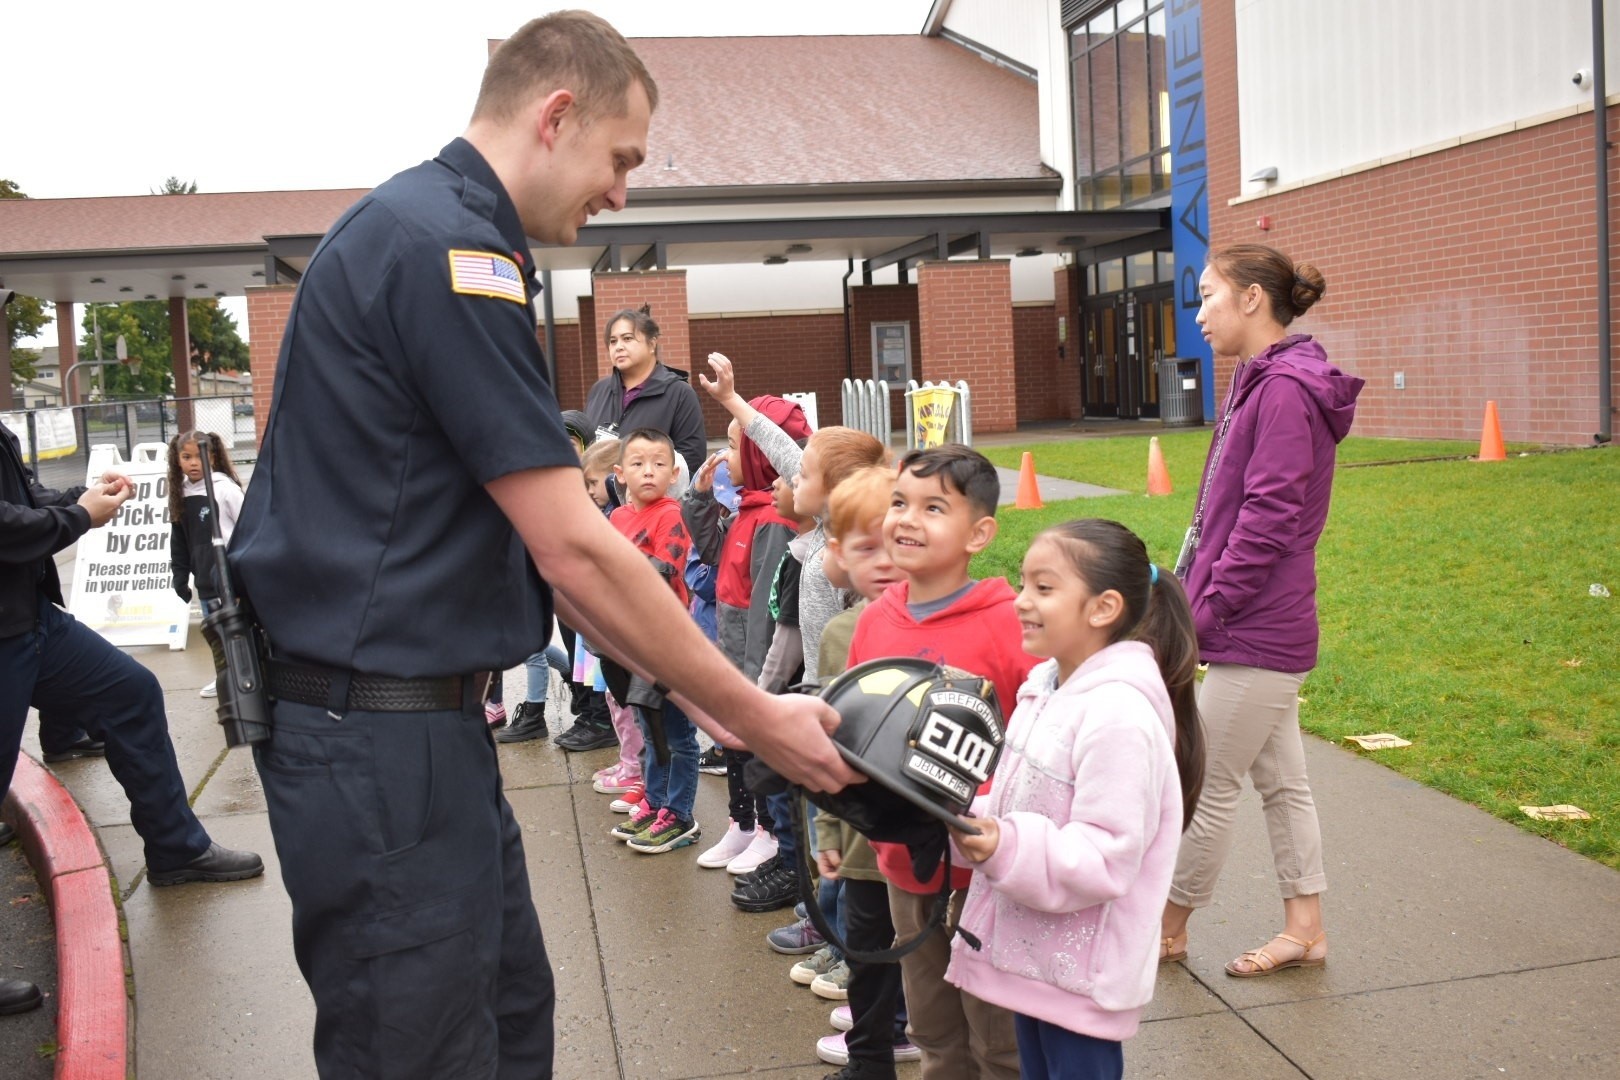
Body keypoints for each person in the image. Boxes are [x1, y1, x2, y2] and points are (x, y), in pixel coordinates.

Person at [227, 13, 854, 1077]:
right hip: (378, 738)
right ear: (555, 115)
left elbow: (518, 543)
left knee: (509, 1020)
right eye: (622, 158)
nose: (621, 192)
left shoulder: (430, 232)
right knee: (426, 1049)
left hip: (406, 730)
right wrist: (754, 719)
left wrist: (704, 701)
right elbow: (573, 545)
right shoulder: (451, 252)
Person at [1, 426, 264, 1018]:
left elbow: (20, 498)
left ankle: (176, 850)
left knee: (131, 691)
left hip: (30, 619)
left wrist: (79, 497)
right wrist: (78, 520)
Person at [1158, 243, 1362, 979]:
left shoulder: (1281, 390)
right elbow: (1221, 512)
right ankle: (1305, 929)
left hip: (1257, 627)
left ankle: (1167, 929)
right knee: (1282, 784)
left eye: (1209, 295)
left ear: (1251, 300)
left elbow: (1267, 520)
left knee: (1206, 782)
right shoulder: (1263, 381)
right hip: (1255, 622)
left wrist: (1204, 616)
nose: (1200, 312)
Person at [946, 520, 1205, 1080]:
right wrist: (972, 819)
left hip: (1081, 978)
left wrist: (1004, 846)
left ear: (1103, 607)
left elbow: (1107, 857)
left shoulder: (1118, 716)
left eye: (1044, 588)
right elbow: (1023, 802)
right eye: (1023, 584)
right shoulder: (1047, 688)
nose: (1021, 602)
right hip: (1033, 960)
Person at [844, 444, 1038, 1080]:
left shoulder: (1011, 625)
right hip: (905, 864)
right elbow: (856, 742)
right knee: (931, 1025)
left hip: (987, 870)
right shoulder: (873, 621)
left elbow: (1040, 741)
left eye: (934, 508)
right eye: (899, 503)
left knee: (998, 1034)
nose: (907, 519)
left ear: (979, 533)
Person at [811, 464, 918, 1080]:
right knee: (868, 948)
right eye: (865, 547)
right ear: (839, 554)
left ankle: (912, 1031)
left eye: (893, 544)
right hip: (859, 829)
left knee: (928, 946)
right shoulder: (841, 632)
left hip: (927, 828)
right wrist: (828, 832)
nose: (882, 561)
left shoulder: (941, 622)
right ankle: (870, 1057)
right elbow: (831, 743)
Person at [684, 398, 812, 905]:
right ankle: (744, 823)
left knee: (759, 755)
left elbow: (768, 611)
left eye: (735, 445)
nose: (725, 455)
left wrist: (755, 679)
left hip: (757, 667)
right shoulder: (748, 509)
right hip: (736, 656)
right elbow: (713, 556)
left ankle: (771, 836)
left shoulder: (774, 523)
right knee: (736, 748)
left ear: (762, 454)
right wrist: (699, 502)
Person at [600, 429, 702, 854]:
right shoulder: (618, 517)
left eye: (659, 464)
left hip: (667, 640)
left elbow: (666, 570)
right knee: (649, 727)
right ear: (620, 474)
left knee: (678, 735)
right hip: (630, 641)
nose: (648, 471)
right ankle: (657, 802)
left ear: (674, 472)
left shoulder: (671, 514)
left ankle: (680, 816)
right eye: (638, 463)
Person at [584, 305, 707, 480]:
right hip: (598, 503)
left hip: (655, 502)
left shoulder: (680, 393)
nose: (618, 347)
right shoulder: (599, 390)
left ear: (651, 344)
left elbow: (691, 461)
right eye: (613, 341)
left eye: (627, 338)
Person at [167, 430, 245, 699]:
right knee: (215, 633)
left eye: (199, 456)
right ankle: (223, 678)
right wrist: (179, 576)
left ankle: (247, 677)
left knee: (240, 631)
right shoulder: (180, 494)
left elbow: (248, 530)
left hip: (231, 579)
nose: (193, 463)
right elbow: (179, 541)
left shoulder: (225, 489)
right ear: (177, 460)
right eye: (186, 456)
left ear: (211, 456)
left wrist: (243, 574)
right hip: (205, 582)